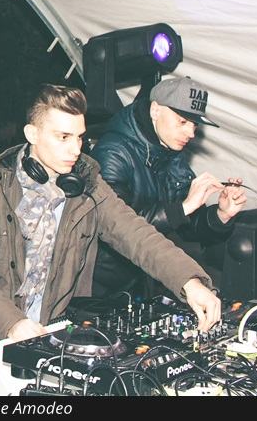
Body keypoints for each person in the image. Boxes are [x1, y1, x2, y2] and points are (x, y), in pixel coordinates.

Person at [0, 84, 222, 342]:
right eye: (63, 137)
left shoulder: (88, 186)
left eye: (79, 137)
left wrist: (189, 282)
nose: (76, 149)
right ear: (32, 134)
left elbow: (136, 234)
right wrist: (13, 323)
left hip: (53, 329)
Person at [90, 76, 246, 297]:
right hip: (100, 287)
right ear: (155, 111)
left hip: (142, 277)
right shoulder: (113, 152)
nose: (191, 133)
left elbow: (187, 225)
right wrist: (183, 207)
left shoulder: (171, 154)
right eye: (182, 122)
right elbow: (117, 227)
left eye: (194, 125)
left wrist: (221, 215)